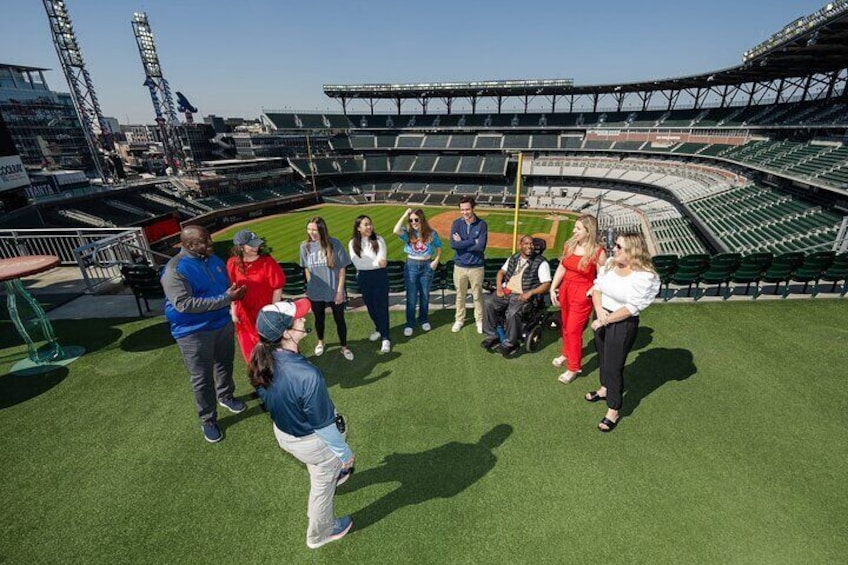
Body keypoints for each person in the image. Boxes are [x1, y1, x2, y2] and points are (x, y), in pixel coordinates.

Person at [249, 299, 355, 549]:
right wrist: (344, 454)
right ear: (286, 333)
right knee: (321, 487)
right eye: (297, 319)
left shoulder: (261, 357)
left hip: (287, 435)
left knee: (320, 467)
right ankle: (320, 534)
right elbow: (324, 426)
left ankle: (331, 472)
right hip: (314, 442)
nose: (303, 319)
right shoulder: (307, 375)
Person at [161, 225, 247, 443]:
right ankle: (208, 419)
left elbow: (226, 288)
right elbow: (183, 304)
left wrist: (233, 294)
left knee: (224, 364)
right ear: (190, 245)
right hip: (193, 332)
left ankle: (226, 396)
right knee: (201, 377)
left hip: (221, 324)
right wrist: (226, 299)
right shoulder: (175, 269)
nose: (211, 243)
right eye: (205, 241)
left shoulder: (214, 260)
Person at [587, 233, 660, 432]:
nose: (614, 249)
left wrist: (604, 321)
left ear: (633, 252)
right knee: (602, 356)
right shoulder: (611, 263)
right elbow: (597, 288)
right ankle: (604, 389)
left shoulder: (644, 276)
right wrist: (600, 312)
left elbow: (631, 308)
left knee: (613, 366)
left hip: (622, 323)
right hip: (602, 314)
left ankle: (614, 408)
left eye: (619, 247)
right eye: (615, 245)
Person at [549, 215, 607, 384]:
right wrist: (554, 287)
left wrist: (590, 291)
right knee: (566, 325)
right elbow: (562, 267)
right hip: (566, 288)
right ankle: (566, 353)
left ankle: (573, 367)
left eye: (578, 228)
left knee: (574, 329)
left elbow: (603, 278)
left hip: (582, 292)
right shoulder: (570, 244)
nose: (574, 231)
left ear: (588, 232)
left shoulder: (598, 252)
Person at [480, 235, 552, 356]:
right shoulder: (513, 258)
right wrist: (499, 288)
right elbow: (501, 272)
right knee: (487, 301)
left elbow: (546, 284)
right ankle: (492, 336)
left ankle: (510, 343)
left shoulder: (541, 263)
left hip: (522, 295)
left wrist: (530, 293)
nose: (529, 246)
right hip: (506, 291)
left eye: (531, 244)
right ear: (520, 245)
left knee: (512, 312)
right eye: (526, 243)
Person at [226, 229, 286, 363]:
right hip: (244, 317)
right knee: (251, 355)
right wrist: (234, 311)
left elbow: (277, 289)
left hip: (265, 314)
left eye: (257, 243)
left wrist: (273, 313)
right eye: (251, 245)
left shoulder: (268, 262)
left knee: (272, 353)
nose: (256, 247)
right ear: (240, 247)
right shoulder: (232, 263)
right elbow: (233, 288)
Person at [300, 217, 354, 361]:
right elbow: (306, 267)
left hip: (334, 291)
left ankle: (344, 347)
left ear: (322, 230)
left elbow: (342, 268)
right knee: (319, 319)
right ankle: (320, 342)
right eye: (309, 229)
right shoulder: (304, 246)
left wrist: (339, 291)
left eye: (315, 230)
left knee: (339, 320)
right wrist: (310, 283)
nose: (312, 232)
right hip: (316, 292)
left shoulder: (334, 243)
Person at [393, 208, 442, 337]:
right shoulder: (408, 233)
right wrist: (404, 214)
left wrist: (436, 260)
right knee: (411, 297)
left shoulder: (431, 233)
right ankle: (410, 323)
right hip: (411, 266)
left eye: (416, 219)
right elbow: (395, 230)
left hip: (427, 266)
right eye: (411, 220)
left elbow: (439, 247)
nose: (413, 222)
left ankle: (423, 319)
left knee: (425, 296)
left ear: (422, 219)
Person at [348, 215, 391, 354]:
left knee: (381, 307)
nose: (369, 227)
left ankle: (385, 337)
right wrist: (374, 263)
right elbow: (357, 263)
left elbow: (383, 261)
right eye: (366, 224)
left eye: (370, 224)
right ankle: (379, 329)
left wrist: (369, 263)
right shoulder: (352, 243)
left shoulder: (379, 240)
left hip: (380, 277)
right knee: (371, 307)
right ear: (358, 228)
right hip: (364, 278)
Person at [449, 196, 488, 334]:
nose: (465, 212)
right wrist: (472, 241)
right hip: (459, 266)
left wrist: (463, 242)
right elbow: (453, 244)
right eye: (462, 209)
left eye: (467, 209)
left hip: (476, 267)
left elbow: (481, 247)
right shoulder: (456, 224)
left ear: (473, 208)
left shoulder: (481, 224)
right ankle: (459, 319)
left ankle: (479, 320)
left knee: (477, 296)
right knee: (460, 295)